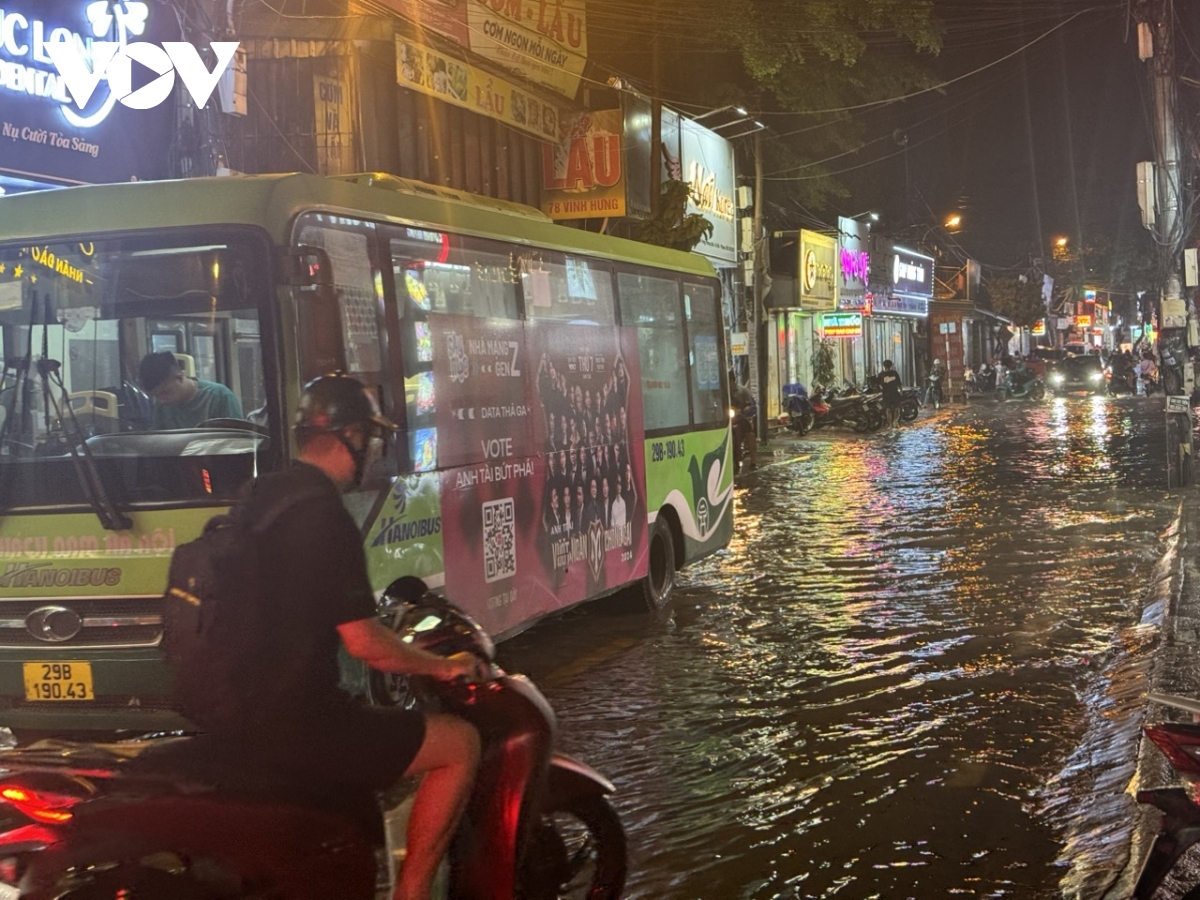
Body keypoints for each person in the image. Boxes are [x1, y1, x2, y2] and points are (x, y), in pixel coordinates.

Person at [232, 373, 484, 900]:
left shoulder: (262, 494)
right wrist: (443, 666)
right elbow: (366, 644)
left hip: (240, 711)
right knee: (460, 742)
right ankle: (410, 893)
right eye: (370, 439)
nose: (372, 451)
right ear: (350, 436)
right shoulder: (324, 514)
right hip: (301, 722)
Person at [139, 351, 243, 429]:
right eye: (155, 396)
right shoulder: (162, 407)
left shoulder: (220, 396)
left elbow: (237, 441)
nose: (161, 399)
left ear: (179, 378)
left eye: (165, 392)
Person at [730, 372, 758, 468]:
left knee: (749, 435)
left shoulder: (742, 391)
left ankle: (753, 461)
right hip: (726, 419)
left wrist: (745, 409)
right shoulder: (721, 391)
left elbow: (751, 405)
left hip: (741, 417)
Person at [877, 359, 903, 430]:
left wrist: (901, 390)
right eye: (886, 367)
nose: (887, 369)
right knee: (888, 409)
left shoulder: (894, 373)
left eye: (888, 367)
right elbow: (878, 385)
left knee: (896, 408)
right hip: (887, 395)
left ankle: (895, 422)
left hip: (893, 394)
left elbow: (899, 383)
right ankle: (891, 424)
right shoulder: (881, 375)